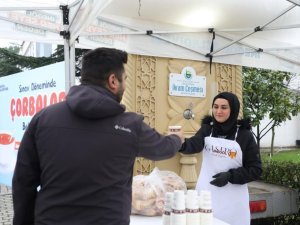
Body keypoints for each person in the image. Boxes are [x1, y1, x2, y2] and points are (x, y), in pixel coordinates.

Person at [12, 47, 184, 225]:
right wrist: (177, 138)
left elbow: (23, 182)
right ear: (113, 81)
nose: (125, 85)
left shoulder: (44, 118)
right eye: (124, 79)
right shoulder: (130, 126)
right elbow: (163, 148)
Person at [180, 92, 262, 225]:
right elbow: (194, 145)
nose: (218, 111)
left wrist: (230, 176)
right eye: (215, 106)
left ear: (233, 109)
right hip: (206, 195)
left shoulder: (244, 135)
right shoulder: (208, 130)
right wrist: (178, 143)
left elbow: (255, 169)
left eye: (224, 107)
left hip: (233, 201)